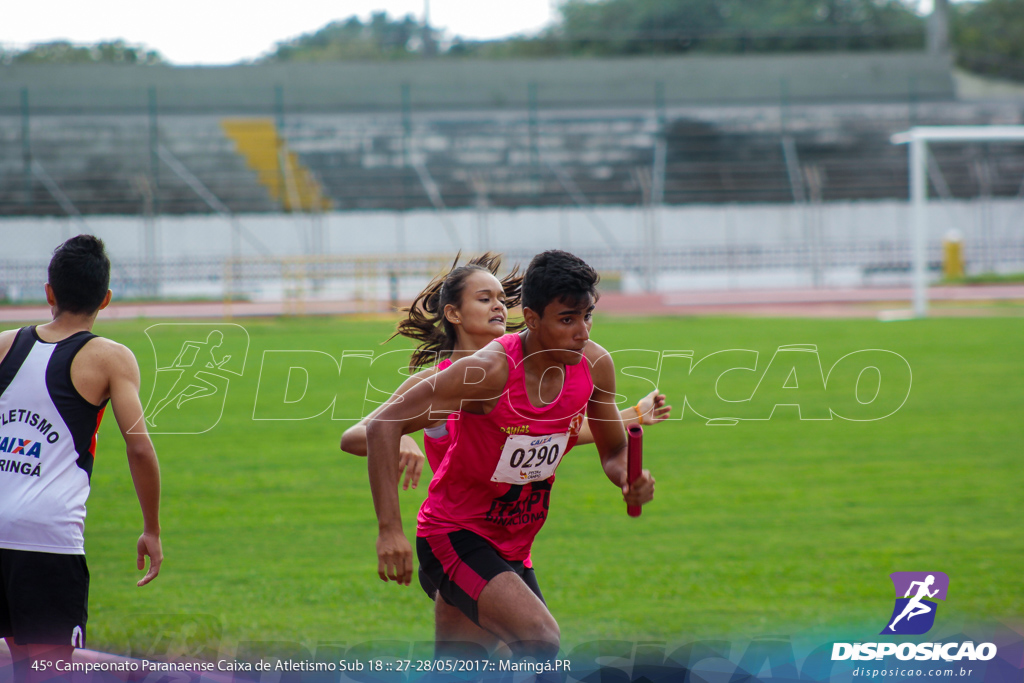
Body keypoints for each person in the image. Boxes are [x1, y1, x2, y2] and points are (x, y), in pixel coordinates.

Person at [341, 252, 669, 653]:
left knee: (465, 668)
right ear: (532, 319)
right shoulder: (485, 372)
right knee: (541, 641)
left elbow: (608, 447)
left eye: (588, 316)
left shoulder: (595, 365)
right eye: (568, 319)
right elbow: (379, 426)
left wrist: (627, 478)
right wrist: (390, 530)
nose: (582, 331)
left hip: (514, 544)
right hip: (455, 536)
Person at [0, 235, 163, 681]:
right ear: (106, 299)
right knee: (50, 671)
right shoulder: (110, 358)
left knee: (16, 665)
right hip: (47, 537)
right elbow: (140, 447)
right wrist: (151, 528)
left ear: (48, 291)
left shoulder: (4, 344)